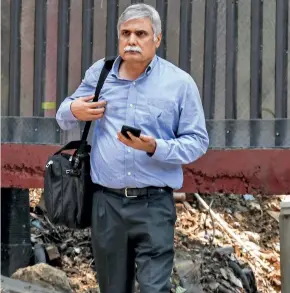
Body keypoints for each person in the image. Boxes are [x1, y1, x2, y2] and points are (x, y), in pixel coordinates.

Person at [56, 3, 209, 293]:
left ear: (157, 39)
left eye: (141, 33)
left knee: (154, 288)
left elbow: (197, 141)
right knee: (113, 288)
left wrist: (154, 146)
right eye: (125, 33)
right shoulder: (100, 74)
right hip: (106, 205)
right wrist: (75, 109)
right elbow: (63, 114)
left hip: (154, 206)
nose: (132, 40)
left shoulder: (179, 83)